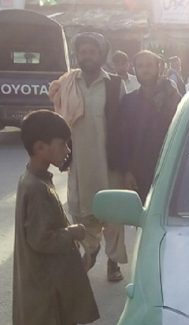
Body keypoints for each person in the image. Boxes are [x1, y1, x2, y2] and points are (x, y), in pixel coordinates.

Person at [13, 110, 99, 325]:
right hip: (48, 287)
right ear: (40, 148)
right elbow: (42, 239)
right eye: (61, 144)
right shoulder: (36, 188)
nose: (66, 150)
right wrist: (74, 232)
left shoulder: (32, 180)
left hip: (37, 284)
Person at [49, 31, 128, 282]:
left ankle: (113, 262)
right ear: (78, 55)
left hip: (109, 161)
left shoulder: (115, 84)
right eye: (83, 52)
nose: (87, 56)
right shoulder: (68, 83)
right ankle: (91, 249)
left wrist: (127, 165)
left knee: (112, 214)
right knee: (82, 211)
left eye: (92, 52)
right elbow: (58, 117)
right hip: (79, 160)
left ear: (101, 55)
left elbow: (125, 125)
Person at [120, 50, 181, 202]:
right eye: (140, 66)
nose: (145, 70)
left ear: (158, 67)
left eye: (149, 65)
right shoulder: (129, 101)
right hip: (140, 172)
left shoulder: (171, 96)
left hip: (170, 168)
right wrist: (127, 171)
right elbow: (124, 139)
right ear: (134, 69)